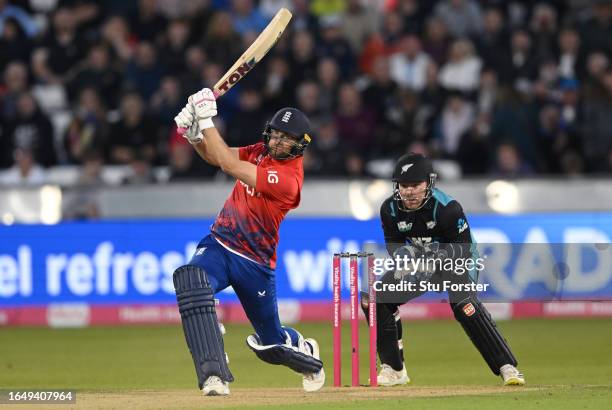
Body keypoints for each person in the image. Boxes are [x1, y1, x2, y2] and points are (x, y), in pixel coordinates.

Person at [172, 88, 324, 396]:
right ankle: (214, 374)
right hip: (219, 243)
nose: (278, 142)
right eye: (275, 135)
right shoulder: (260, 151)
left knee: (270, 345)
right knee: (192, 280)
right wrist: (193, 135)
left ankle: (305, 352)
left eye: (286, 139)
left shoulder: (289, 181)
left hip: (255, 263)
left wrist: (205, 118)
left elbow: (229, 166)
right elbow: (219, 156)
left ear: (300, 146)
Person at [363, 152, 525, 387]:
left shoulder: (448, 208)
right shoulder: (389, 209)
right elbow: (393, 244)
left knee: (464, 305)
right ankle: (394, 369)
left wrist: (435, 255)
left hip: (458, 259)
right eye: (403, 185)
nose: (408, 191)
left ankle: (507, 368)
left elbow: (464, 247)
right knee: (378, 299)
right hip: (422, 263)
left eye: (415, 185)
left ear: (429, 183)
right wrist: (404, 256)